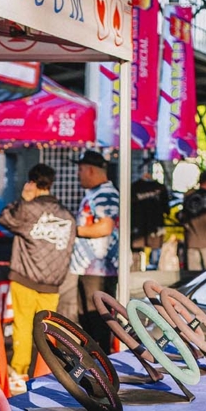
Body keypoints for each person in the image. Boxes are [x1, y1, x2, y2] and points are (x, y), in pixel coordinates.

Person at [0, 162, 76, 390]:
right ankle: (48, 370)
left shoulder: (27, 209)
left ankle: (19, 373)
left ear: (31, 182)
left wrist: (23, 200)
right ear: (51, 183)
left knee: (23, 325)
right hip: (52, 283)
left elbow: (5, 218)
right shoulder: (67, 216)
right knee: (47, 328)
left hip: (25, 277)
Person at [67, 149, 120, 353]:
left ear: (90, 170)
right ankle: (95, 357)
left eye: (80, 170)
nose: (77, 174)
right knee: (88, 319)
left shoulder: (105, 194)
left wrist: (74, 230)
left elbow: (105, 227)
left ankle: (101, 359)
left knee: (96, 319)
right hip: (91, 269)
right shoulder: (96, 193)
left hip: (99, 269)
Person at [131, 165, 169, 270]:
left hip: (144, 227)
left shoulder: (135, 187)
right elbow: (166, 209)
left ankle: (143, 269)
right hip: (144, 227)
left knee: (143, 255)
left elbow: (166, 208)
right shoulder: (135, 187)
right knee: (143, 253)